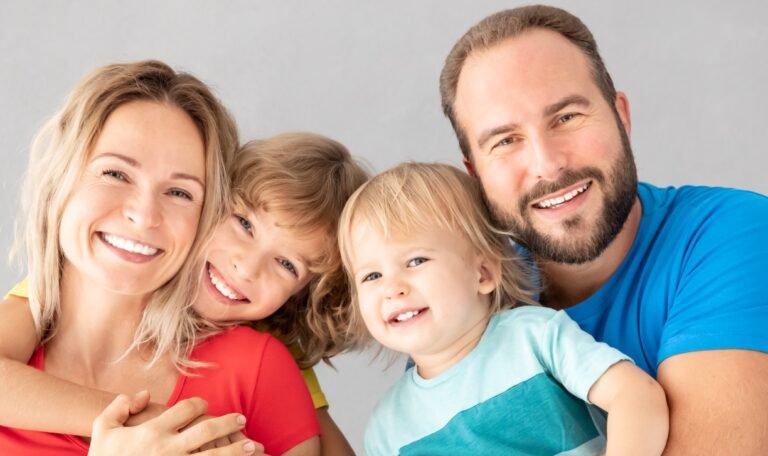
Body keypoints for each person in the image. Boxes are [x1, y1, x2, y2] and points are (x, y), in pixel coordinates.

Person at [438, 5, 768, 453]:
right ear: (475, 173)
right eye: (505, 141)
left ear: (621, 116)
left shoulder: (732, 233)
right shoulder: (469, 301)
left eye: (567, 117)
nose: (547, 163)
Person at [0, 60, 321, 455]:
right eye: (115, 173)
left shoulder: (257, 369)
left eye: (180, 193)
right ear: (61, 178)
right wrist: (146, 418)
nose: (144, 215)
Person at [338, 162, 668, 455]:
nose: (392, 288)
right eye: (371, 275)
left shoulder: (534, 337)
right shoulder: (387, 431)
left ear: (483, 273)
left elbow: (637, 398)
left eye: (416, 260)